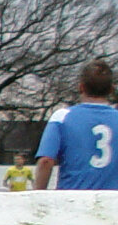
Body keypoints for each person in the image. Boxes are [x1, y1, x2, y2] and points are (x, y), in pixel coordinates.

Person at [34, 60, 118, 190]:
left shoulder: (62, 117)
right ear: (111, 89)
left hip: (72, 200)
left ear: (81, 87)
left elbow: (46, 161)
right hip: (112, 202)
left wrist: (37, 197)